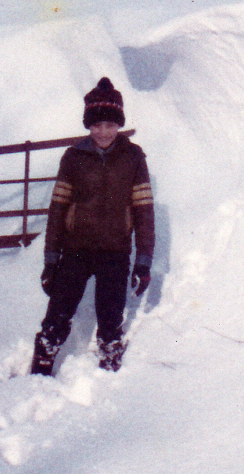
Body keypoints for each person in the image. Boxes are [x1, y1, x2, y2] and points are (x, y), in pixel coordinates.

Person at [32, 77, 155, 375]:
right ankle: (44, 356)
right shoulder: (74, 158)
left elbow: (144, 211)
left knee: (111, 313)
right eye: (97, 125)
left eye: (110, 125)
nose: (103, 132)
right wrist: (51, 259)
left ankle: (110, 356)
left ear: (119, 125)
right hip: (76, 249)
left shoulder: (133, 157)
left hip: (115, 250)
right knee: (59, 310)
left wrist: (143, 262)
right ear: (88, 125)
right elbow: (58, 209)